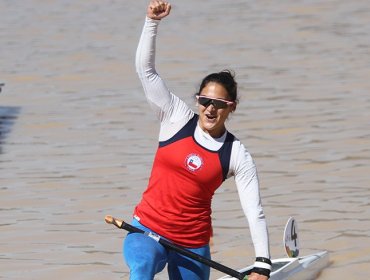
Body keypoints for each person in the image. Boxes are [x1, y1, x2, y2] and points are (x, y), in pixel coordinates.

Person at [123, 1, 271, 279]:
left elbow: (254, 210)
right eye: (205, 101)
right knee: (142, 268)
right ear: (198, 101)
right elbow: (146, 71)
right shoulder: (175, 117)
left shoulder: (236, 154)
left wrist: (262, 263)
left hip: (191, 243)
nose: (210, 108)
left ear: (231, 107)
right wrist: (151, 23)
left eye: (219, 103)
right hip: (145, 230)